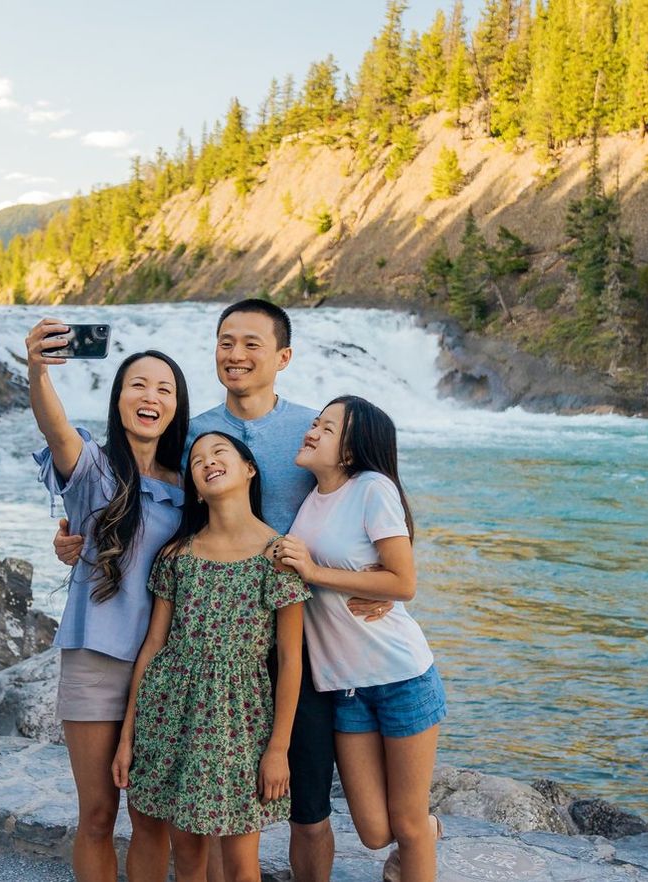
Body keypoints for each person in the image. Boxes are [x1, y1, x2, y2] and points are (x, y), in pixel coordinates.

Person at [53, 299, 388, 882]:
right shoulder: (191, 434)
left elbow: (373, 497)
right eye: (225, 342)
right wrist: (75, 535)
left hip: (301, 637)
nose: (236, 355)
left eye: (251, 344)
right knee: (192, 818)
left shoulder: (313, 429)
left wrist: (382, 579)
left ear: (283, 356)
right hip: (200, 645)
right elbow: (137, 494)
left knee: (306, 806)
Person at [25, 320, 187, 882]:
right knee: (97, 814)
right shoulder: (93, 468)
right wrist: (38, 370)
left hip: (165, 667)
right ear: (119, 400)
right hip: (95, 657)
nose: (151, 397)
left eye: (164, 389)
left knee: (152, 818)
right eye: (138, 385)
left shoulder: (192, 484)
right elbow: (56, 429)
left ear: (176, 407)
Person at [113, 431, 309, 882]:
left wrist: (278, 749)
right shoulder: (177, 555)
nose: (207, 461)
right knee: (187, 857)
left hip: (239, 723)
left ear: (249, 470)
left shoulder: (277, 555)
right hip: (169, 716)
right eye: (197, 460)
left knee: (242, 862)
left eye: (219, 452)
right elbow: (152, 649)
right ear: (196, 489)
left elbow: (290, 661)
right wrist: (128, 737)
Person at [275, 396, 444, 882]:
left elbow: (402, 583)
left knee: (406, 825)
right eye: (315, 422)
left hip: (402, 678)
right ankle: (430, 830)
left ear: (350, 451)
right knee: (373, 831)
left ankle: (421, 836)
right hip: (344, 686)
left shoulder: (372, 488)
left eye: (327, 428)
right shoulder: (310, 498)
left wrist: (316, 571)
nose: (312, 431)